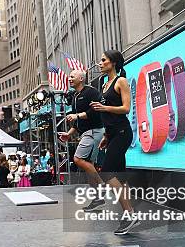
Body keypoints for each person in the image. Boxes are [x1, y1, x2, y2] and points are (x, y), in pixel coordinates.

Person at [90, 50, 140, 235]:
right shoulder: (104, 84)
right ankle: (130, 214)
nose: (100, 63)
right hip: (112, 134)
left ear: (113, 63)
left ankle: (130, 214)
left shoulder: (121, 81)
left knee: (107, 173)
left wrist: (104, 107)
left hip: (122, 133)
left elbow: (126, 108)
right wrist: (106, 136)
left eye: (103, 60)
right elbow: (108, 116)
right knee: (121, 177)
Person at [58, 69, 106, 209]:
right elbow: (79, 122)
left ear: (81, 78)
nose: (69, 78)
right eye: (69, 76)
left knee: (78, 159)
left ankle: (102, 185)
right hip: (86, 132)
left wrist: (77, 116)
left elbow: (96, 110)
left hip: (94, 131)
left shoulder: (90, 92)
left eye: (72, 76)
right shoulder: (75, 97)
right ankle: (98, 200)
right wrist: (69, 133)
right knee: (88, 167)